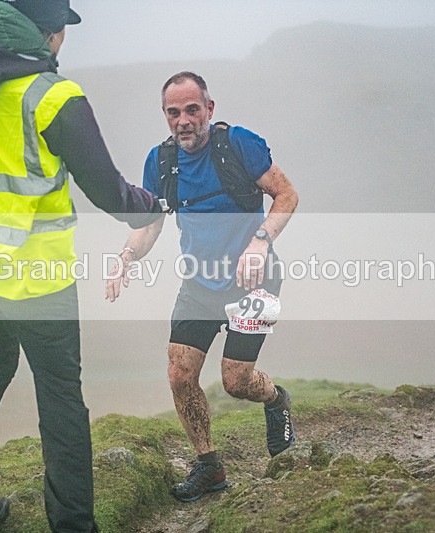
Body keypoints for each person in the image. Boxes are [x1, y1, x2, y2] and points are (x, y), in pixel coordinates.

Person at [0, 1, 162, 531]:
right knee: (60, 395)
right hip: (37, 275)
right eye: (61, 31)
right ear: (48, 34)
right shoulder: (53, 97)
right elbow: (109, 192)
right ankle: (73, 525)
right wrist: (152, 207)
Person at [105, 71, 299, 502]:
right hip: (199, 282)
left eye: (192, 109)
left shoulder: (239, 145)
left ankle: (275, 399)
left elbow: (286, 195)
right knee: (180, 374)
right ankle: (209, 465)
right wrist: (126, 257)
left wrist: (260, 241)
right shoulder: (161, 162)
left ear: (209, 109)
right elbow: (150, 224)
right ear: (165, 115)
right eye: (173, 112)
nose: (183, 120)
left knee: (236, 382)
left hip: (254, 281)